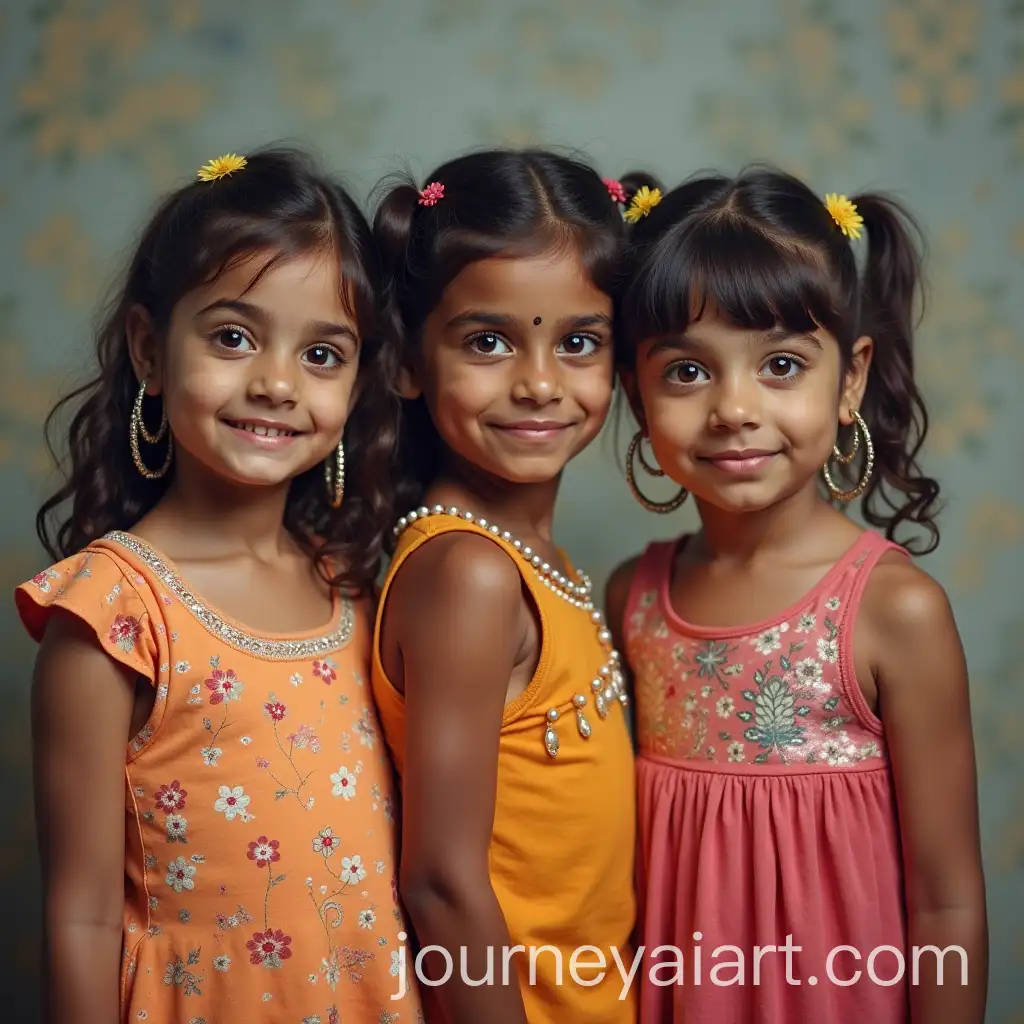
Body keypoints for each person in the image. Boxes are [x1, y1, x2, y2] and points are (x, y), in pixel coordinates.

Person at [15, 147, 422, 1024]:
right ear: (149, 349)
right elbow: (81, 917)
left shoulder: (350, 583)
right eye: (233, 337)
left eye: (322, 353)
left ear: (356, 387)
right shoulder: (112, 612)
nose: (276, 383)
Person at [606, 167, 988, 1023]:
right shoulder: (633, 597)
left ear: (849, 379)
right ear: (635, 391)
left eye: (781, 364)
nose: (735, 408)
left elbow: (948, 902)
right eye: (686, 372)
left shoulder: (895, 611)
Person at [369, 151, 637, 1023]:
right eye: (488, 341)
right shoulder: (470, 575)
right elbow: (443, 883)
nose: (538, 383)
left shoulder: (543, 567)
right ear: (409, 362)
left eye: (578, 342)